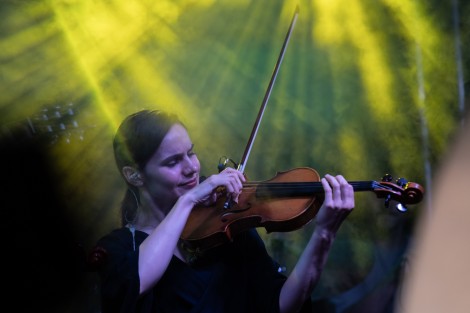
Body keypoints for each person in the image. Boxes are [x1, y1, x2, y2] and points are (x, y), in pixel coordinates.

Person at [89, 109, 355, 313]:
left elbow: (281, 305)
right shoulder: (119, 248)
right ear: (134, 175)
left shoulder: (227, 228)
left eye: (191, 153)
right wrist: (188, 199)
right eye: (173, 161)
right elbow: (133, 285)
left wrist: (324, 234)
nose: (192, 167)